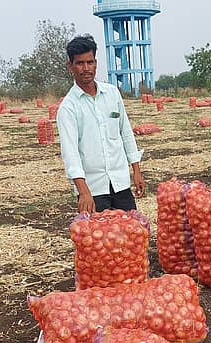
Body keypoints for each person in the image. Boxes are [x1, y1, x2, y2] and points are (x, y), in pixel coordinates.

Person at [58, 34, 145, 214]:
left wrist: (136, 170)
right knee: (98, 240)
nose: (86, 68)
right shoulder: (68, 108)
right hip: (93, 189)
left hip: (120, 183)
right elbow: (71, 153)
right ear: (70, 66)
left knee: (132, 235)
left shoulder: (112, 94)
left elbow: (125, 133)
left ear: (96, 63)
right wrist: (83, 192)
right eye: (80, 63)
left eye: (90, 62)